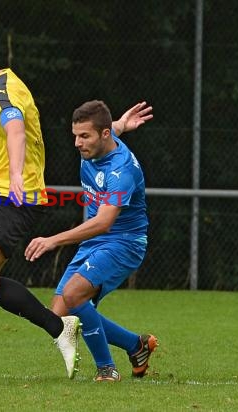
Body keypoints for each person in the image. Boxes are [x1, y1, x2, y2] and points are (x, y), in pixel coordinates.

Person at [0, 30, 152, 387]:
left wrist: (15, 175)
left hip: (15, 199)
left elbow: (15, 129)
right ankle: (59, 327)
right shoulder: (1, 87)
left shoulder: (2, 90)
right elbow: (92, 137)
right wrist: (119, 126)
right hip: (9, 198)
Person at [25, 100, 158, 382]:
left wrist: (53, 241)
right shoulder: (100, 143)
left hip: (124, 242)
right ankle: (137, 345)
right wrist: (122, 123)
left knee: (74, 296)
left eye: (84, 136)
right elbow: (114, 129)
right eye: (75, 135)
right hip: (97, 241)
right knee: (60, 317)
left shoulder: (122, 171)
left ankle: (106, 369)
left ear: (103, 135)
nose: (77, 143)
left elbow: (104, 222)